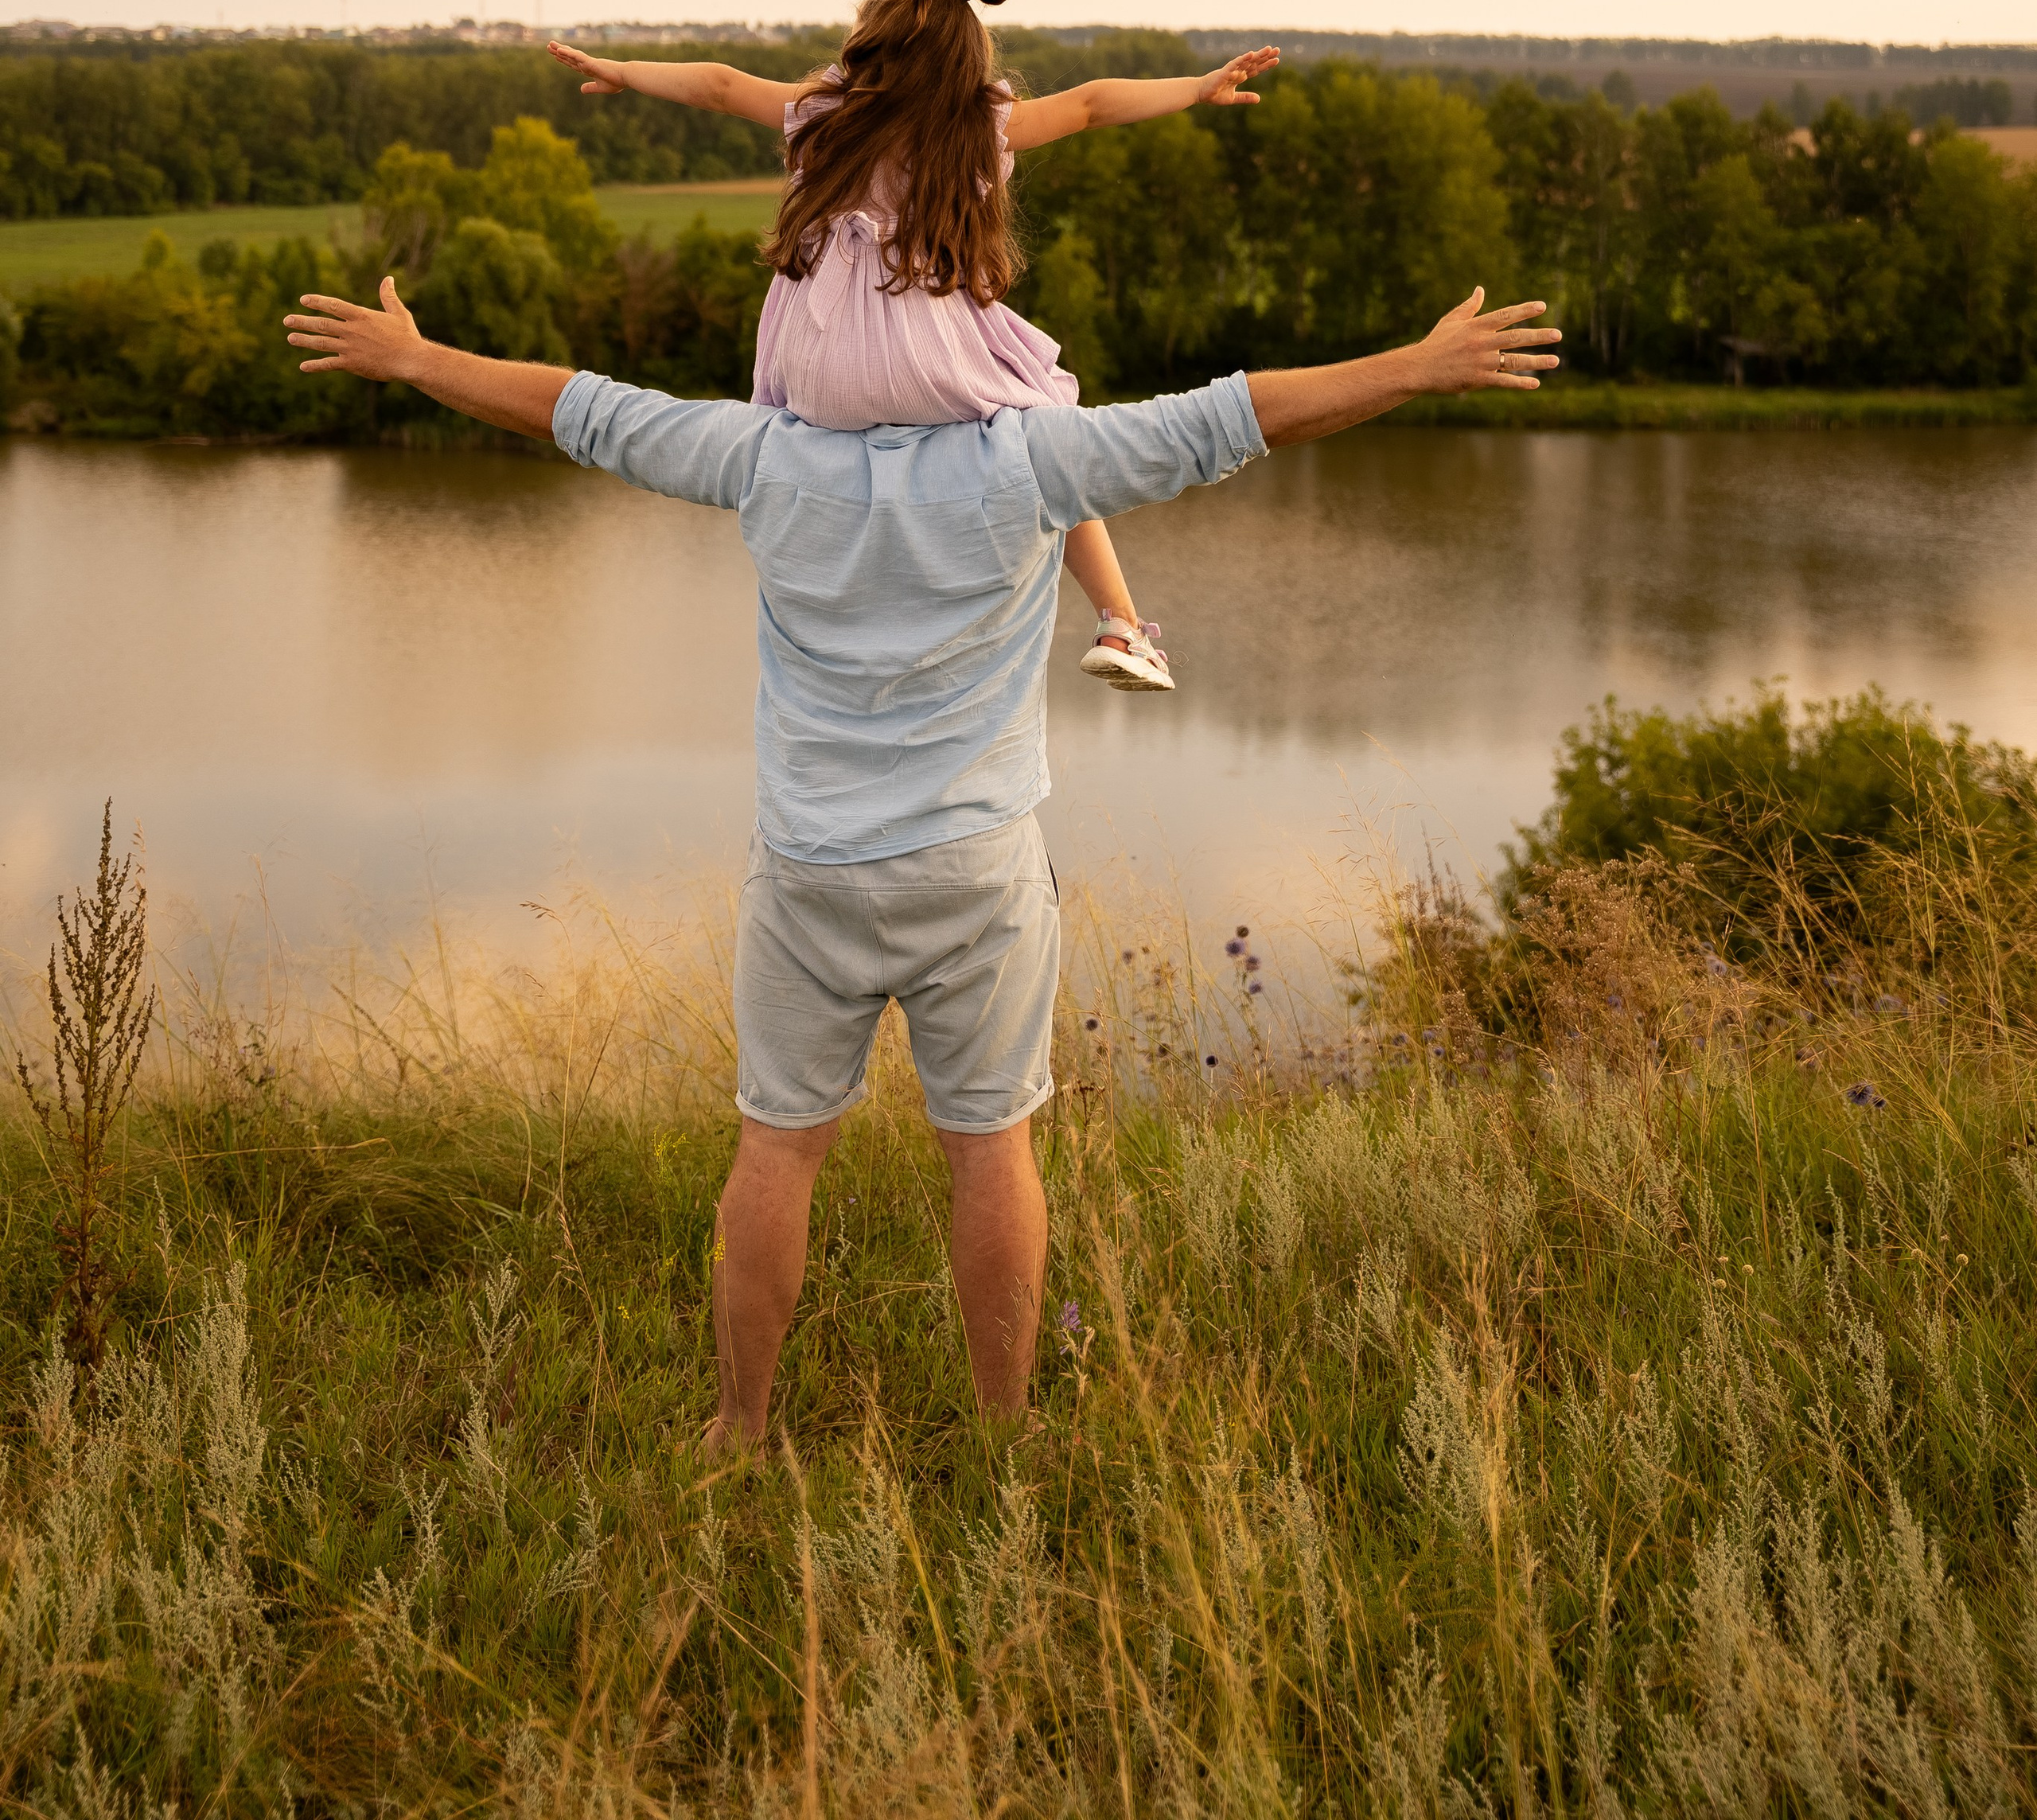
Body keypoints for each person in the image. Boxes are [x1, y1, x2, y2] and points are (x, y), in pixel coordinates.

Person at [284, 261, 1560, 1454]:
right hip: (976, 873)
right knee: (990, 1148)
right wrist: (1418, 363)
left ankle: (739, 1427)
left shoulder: (765, 457)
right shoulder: (1032, 461)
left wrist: (416, 358)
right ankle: (1004, 1431)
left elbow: (575, 410)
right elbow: (1237, 418)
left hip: (812, 872)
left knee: (776, 1149)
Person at [547, 0, 1281, 698]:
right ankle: (1122, 622)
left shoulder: (824, 112)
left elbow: (720, 85)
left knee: (827, 473)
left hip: (819, 376)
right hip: (927, 366)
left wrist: (623, 69)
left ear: (869, 39)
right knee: (1050, 428)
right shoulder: (980, 124)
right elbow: (1093, 102)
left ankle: (848, 628)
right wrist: (1196, 87)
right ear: (968, 60)